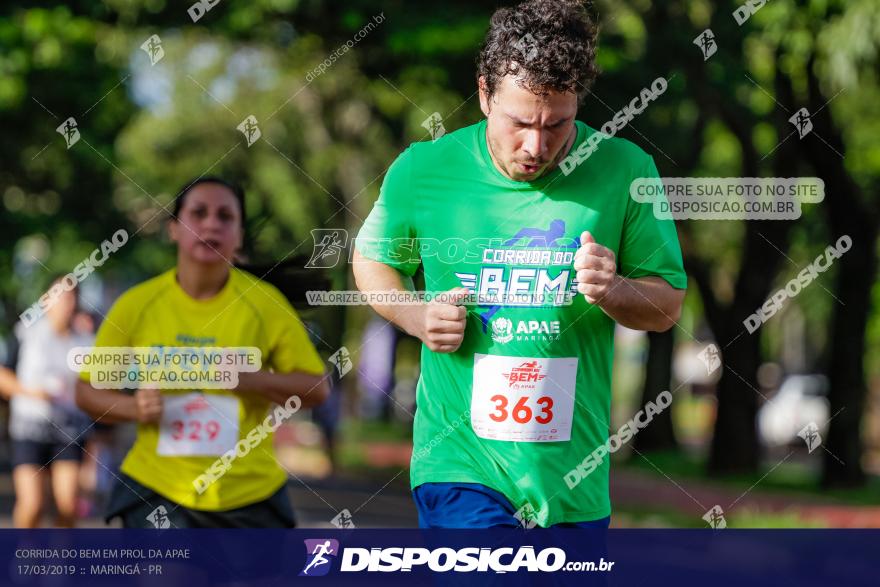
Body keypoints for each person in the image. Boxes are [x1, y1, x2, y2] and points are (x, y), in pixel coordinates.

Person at [352, 0, 686, 528]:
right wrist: (414, 315)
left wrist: (616, 289)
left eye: (558, 124)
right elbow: (372, 260)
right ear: (485, 93)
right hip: (460, 465)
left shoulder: (625, 170)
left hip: (572, 482)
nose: (537, 145)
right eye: (521, 122)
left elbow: (666, 306)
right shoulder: (424, 168)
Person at [75, 177, 329, 528]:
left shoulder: (266, 305)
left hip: (248, 494)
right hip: (159, 487)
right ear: (173, 229)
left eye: (225, 216)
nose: (211, 223)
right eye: (198, 213)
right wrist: (135, 407)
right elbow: (87, 391)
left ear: (239, 235)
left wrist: (249, 380)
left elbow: (316, 388)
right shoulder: (137, 304)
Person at [0, 276, 93, 527]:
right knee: (32, 505)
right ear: (45, 300)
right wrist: (31, 392)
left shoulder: (85, 341)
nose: (65, 302)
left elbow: (96, 391)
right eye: (59, 295)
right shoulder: (26, 333)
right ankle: (25, 556)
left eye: (70, 296)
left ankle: (60, 563)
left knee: (67, 505)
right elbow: (2, 375)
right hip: (29, 429)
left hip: (70, 431)